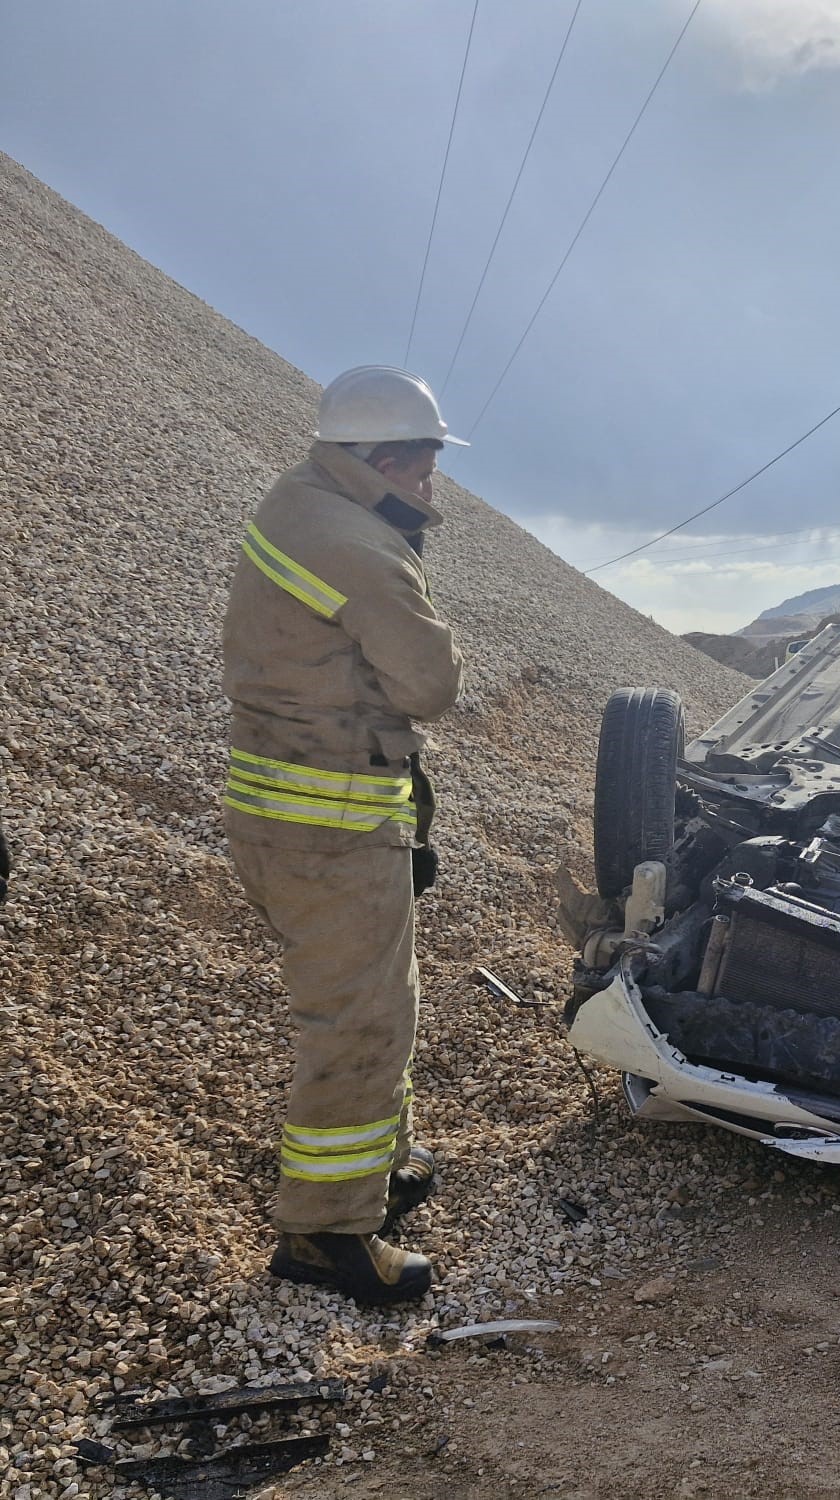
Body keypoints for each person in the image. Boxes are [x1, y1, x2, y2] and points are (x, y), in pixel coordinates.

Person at [223, 365, 466, 1304]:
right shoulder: (355, 541)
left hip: (302, 819)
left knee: (380, 1004)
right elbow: (429, 684)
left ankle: (373, 1174)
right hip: (328, 831)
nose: (433, 484)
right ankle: (324, 1233)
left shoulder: (299, 502)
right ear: (389, 457)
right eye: (428, 463)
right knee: (357, 1022)